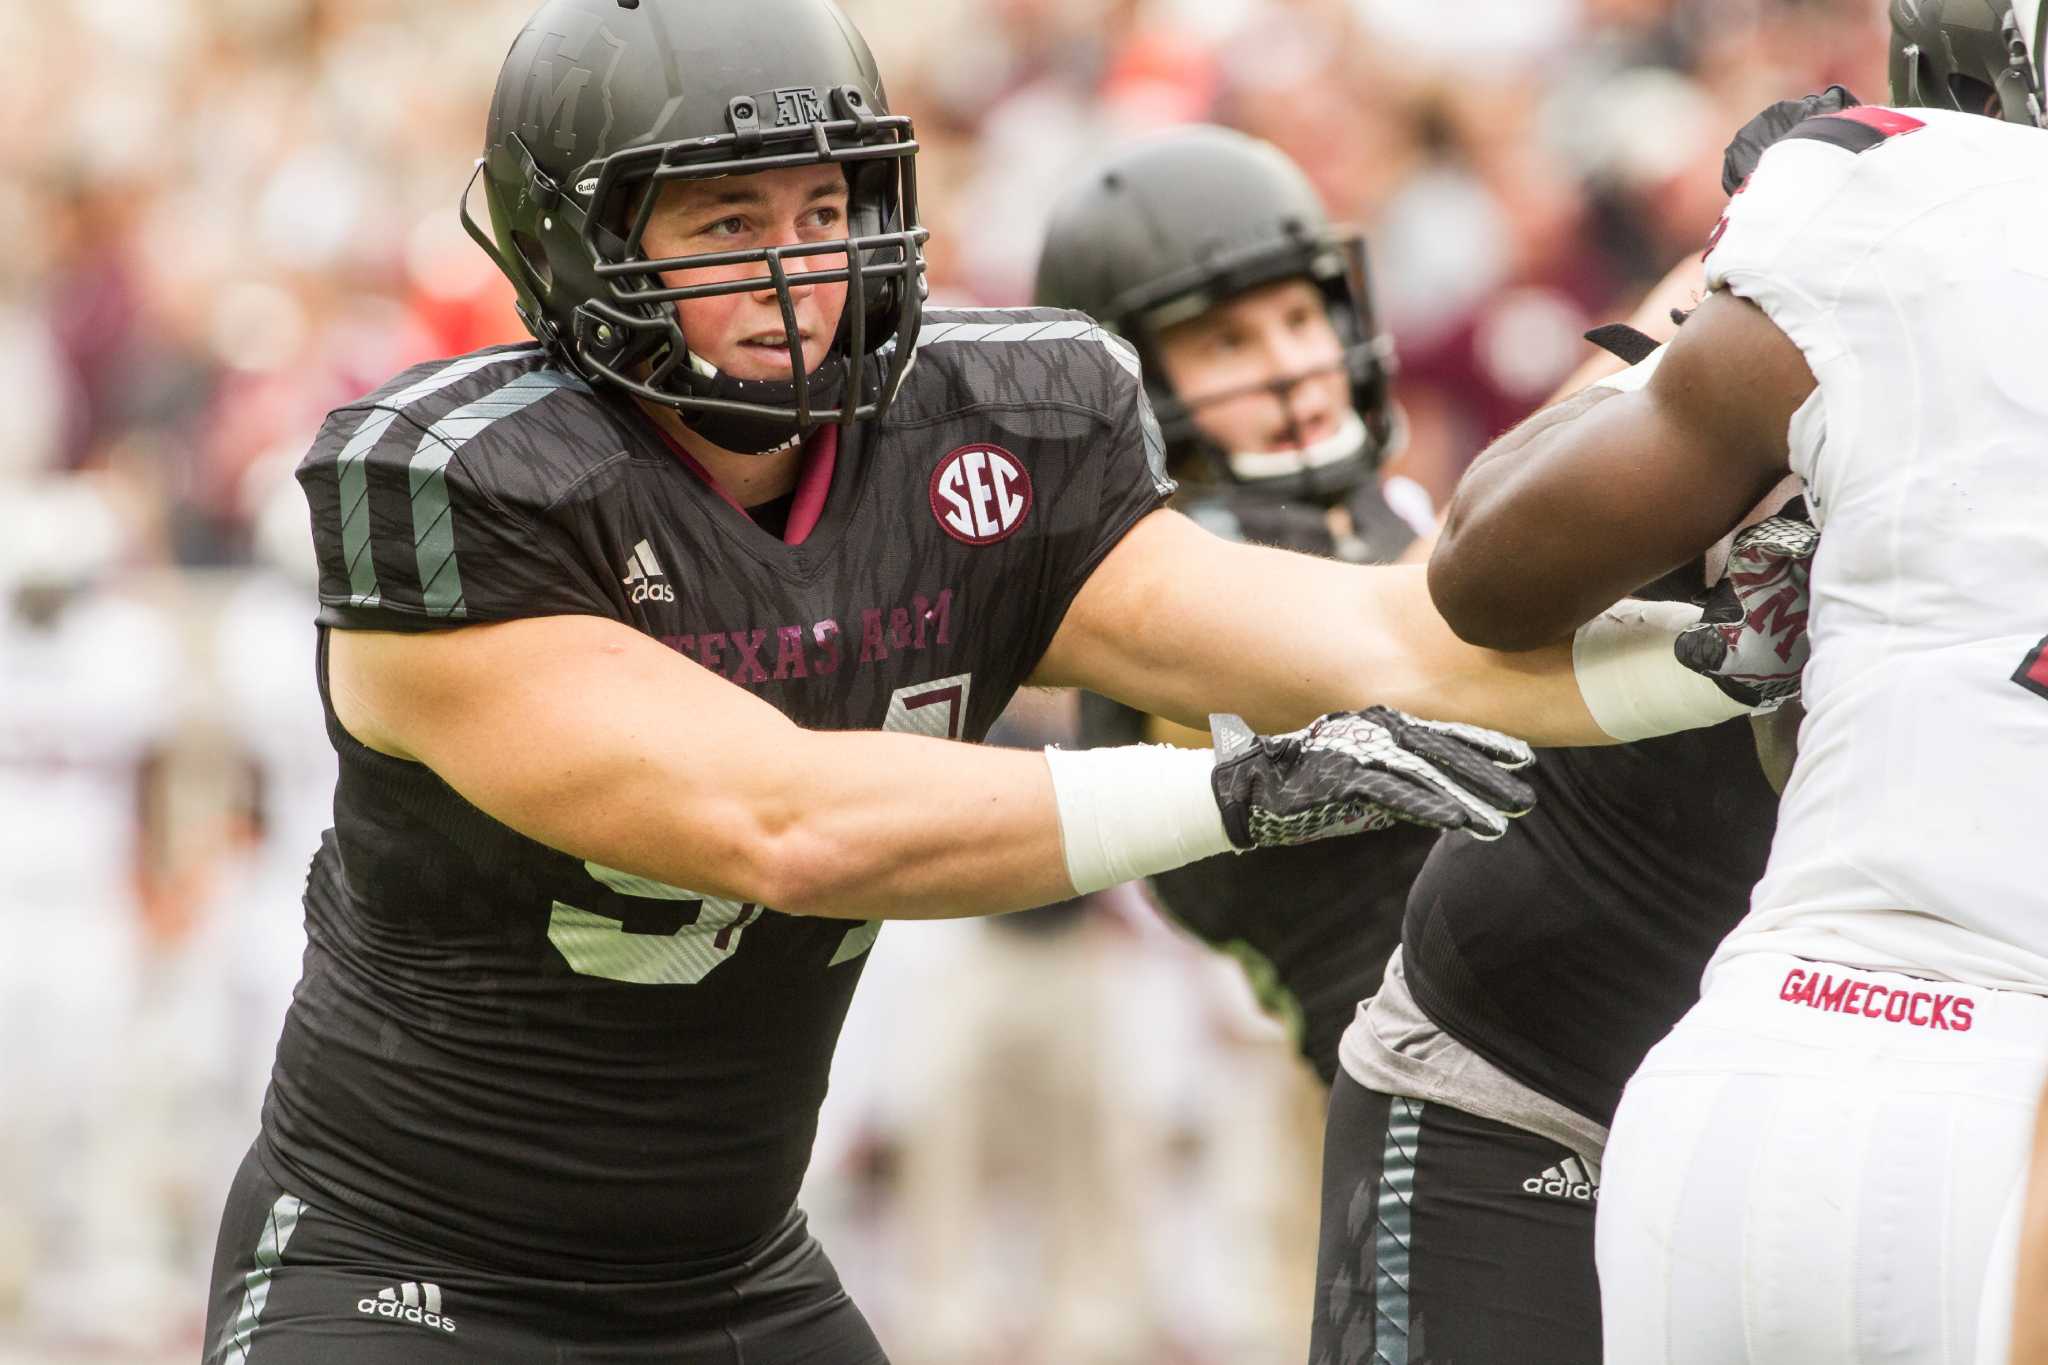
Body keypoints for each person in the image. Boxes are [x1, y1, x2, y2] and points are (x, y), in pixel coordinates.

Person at [198, 2, 1785, 1360]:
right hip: (405, 1272)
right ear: (580, 243)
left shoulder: (987, 428)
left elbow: (1388, 640)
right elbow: (777, 824)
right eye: (724, 224)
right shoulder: (470, 481)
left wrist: (1719, 666)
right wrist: (1226, 792)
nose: (791, 270)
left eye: (821, 212)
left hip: (730, 1274)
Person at [1426, 36, 2048, 1359]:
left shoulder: (1886, 196)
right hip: (2007, 1098)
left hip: (1755, 1079)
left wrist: (1716, 295)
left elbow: (1484, 566)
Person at [1033, 125, 1441, 1085]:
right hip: (1416, 1065)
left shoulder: (1376, 509)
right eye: (1227, 341)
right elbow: (1420, 639)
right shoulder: (1164, 575)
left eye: (1302, 320)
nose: (1291, 363)